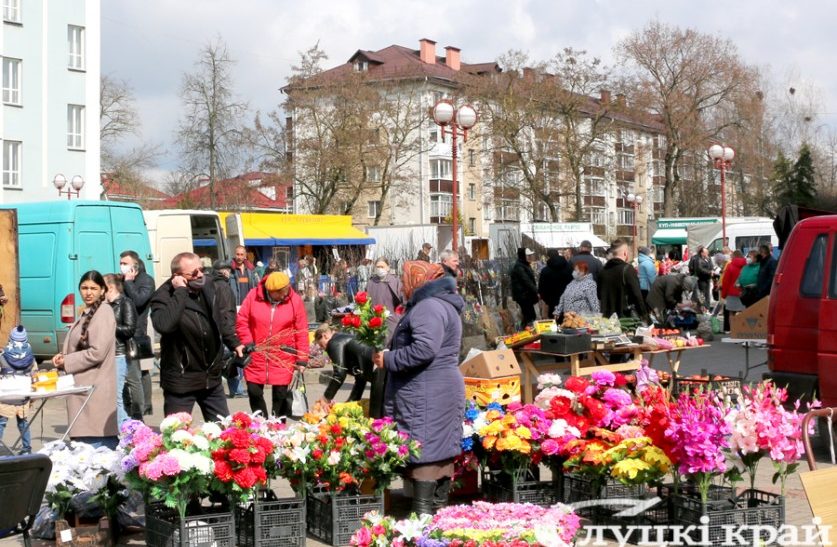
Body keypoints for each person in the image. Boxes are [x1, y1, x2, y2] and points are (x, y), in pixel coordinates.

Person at [372, 261, 464, 516]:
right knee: (438, 456)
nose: (402, 284)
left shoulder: (428, 307)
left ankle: (423, 526)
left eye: (405, 278)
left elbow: (424, 348)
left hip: (427, 392)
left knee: (426, 455)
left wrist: (388, 359)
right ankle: (437, 526)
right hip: (435, 389)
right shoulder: (440, 304)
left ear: (419, 280)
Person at [151, 252, 243, 420]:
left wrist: (234, 342)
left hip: (211, 376)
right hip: (182, 379)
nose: (200, 274)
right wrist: (180, 291)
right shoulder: (163, 296)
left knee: (224, 432)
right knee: (177, 437)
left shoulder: (208, 286)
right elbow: (164, 325)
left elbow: (219, 319)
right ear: (177, 276)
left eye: (201, 269)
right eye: (194, 273)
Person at [52, 271, 118, 448]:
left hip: (94, 390)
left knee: (95, 456)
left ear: (103, 290)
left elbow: (97, 352)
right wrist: (63, 357)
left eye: (93, 288)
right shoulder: (87, 312)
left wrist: (67, 361)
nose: (88, 292)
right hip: (84, 388)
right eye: (84, 288)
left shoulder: (103, 312)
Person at [236, 272, 309, 417]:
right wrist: (247, 342)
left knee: (280, 396)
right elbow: (242, 321)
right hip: (256, 353)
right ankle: (261, 425)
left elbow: (301, 330)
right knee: (254, 392)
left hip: (282, 356)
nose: (284, 296)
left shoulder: (295, 301)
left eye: (286, 291)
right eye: (280, 294)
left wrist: (302, 358)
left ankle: (277, 427)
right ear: (270, 291)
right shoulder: (253, 296)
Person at [314, 324, 385, 418]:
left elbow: (339, 373)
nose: (324, 348)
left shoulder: (334, 342)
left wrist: (326, 398)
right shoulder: (346, 338)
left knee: (377, 419)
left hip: (379, 371)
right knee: (382, 414)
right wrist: (351, 402)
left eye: (321, 345)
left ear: (324, 336)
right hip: (381, 372)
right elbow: (360, 378)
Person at [119, 250, 153, 418]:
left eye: (125, 263)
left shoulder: (146, 280)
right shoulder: (122, 280)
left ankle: (144, 407)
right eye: (121, 263)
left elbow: (139, 301)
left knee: (142, 371)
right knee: (132, 373)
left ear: (135, 266)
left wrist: (129, 283)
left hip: (139, 333)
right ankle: (131, 405)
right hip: (125, 333)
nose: (122, 266)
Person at [103, 274, 137, 427]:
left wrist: (110, 327)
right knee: (109, 395)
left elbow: (130, 329)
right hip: (105, 354)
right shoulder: (104, 305)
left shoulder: (125, 303)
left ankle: (126, 429)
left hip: (119, 353)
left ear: (109, 287)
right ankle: (124, 427)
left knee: (116, 395)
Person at [212, 259, 246, 398]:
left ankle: (234, 389)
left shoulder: (212, 284)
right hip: (226, 327)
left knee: (225, 359)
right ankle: (237, 389)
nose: (229, 273)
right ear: (224, 271)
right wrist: (231, 330)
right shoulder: (223, 286)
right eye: (228, 270)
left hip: (217, 327)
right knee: (232, 360)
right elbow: (226, 311)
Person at [0, 326, 36, 454]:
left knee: (1, 423)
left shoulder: (3, 355)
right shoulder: (30, 356)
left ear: (11, 338)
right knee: (23, 423)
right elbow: (34, 375)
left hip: (5, 396)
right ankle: (26, 448)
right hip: (23, 396)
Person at [598, 240, 647, 320]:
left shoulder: (603, 270)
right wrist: (645, 317)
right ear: (625, 253)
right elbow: (637, 296)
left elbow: (599, 295)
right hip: (624, 320)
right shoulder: (627, 269)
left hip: (606, 320)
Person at [538, 249, 574, 319]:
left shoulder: (545, 271)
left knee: (554, 325)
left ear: (548, 257)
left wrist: (547, 300)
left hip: (552, 304)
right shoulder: (570, 268)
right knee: (568, 323)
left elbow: (541, 289)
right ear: (558, 254)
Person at [509, 248, 539, 327]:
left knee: (528, 316)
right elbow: (527, 281)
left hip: (526, 295)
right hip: (523, 296)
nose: (530, 257)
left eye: (530, 255)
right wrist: (537, 291)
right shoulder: (519, 267)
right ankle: (527, 332)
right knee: (530, 316)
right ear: (523, 256)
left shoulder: (525, 265)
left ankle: (526, 330)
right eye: (528, 256)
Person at [721, 251, 747, 331]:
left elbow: (726, 281)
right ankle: (743, 329)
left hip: (731, 293)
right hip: (743, 293)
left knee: (731, 312)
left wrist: (723, 294)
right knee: (744, 312)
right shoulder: (746, 265)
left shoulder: (730, 266)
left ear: (734, 256)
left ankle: (733, 330)